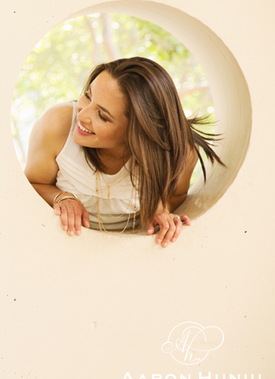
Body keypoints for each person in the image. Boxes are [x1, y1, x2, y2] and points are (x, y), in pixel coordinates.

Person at [24, 56, 222, 247]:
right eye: (88, 95)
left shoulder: (181, 151)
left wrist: (159, 209)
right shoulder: (57, 123)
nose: (82, 114)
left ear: (139, 131)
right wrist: (62, 198)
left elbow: (176, 196)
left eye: (102, 115)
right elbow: (32, 183)